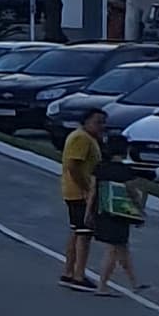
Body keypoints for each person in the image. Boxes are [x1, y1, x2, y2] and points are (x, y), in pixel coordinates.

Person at [91, 128, 149, 295]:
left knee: (122, 248)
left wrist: (89, 212)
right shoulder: (125, 172)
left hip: (102, 211)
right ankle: (102, 285)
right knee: (114, 249)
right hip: (120, 214)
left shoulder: (100, 168)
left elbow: (92, 191)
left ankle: (134, 283)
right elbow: (134, 194)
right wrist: (140, 212)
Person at [58, 109, 106, 292]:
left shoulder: (85, 137)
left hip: (74, 192)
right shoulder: (81, 138)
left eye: (103, 122)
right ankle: (78, 275)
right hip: (80, 193)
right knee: (84, 234)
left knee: (77, 232)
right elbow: (73, 166)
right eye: (98, 122)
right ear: (85, 121)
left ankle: (69, 272)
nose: (102, 126)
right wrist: (88, 189)